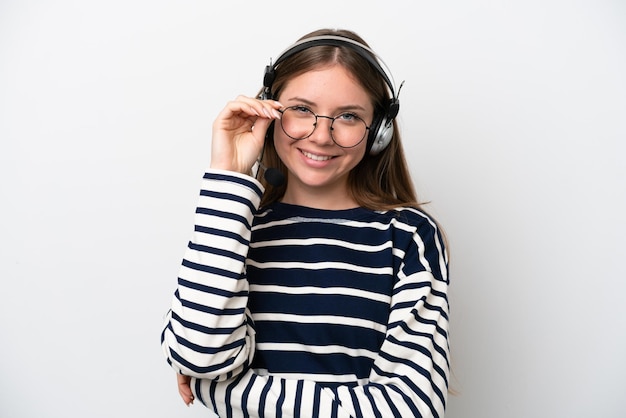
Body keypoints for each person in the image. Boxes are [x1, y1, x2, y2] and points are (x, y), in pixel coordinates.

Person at [161, 28, 450, 418]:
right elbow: (198, 354)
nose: (321, 135)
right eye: (301, 109)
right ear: (270, 111)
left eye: (348, 116)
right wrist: (228, 177)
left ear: (378, 132)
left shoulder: (409, 236)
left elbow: (410, 408)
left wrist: (221, 391)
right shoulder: (233, 226)